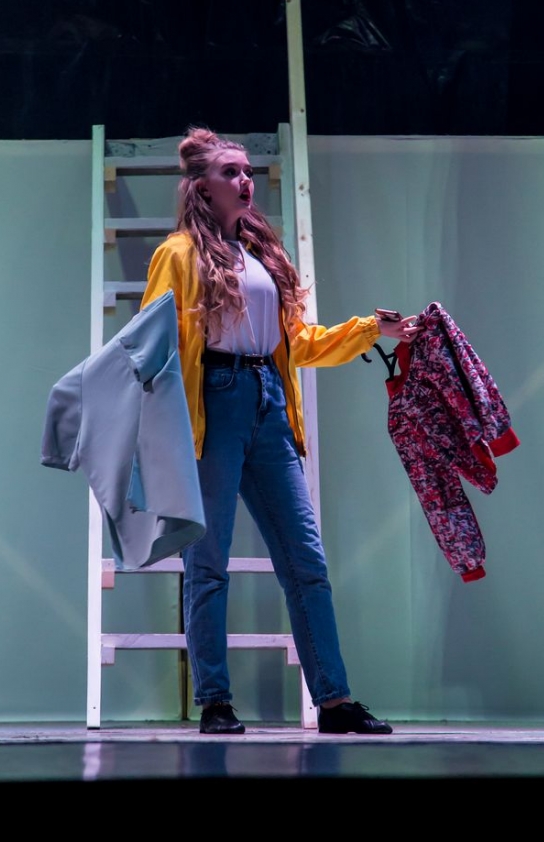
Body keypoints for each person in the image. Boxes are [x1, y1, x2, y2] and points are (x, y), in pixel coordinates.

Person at [140, 126, 419, 735]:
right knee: (208, 562)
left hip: (268, 400)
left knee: (306, 561)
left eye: (247, 171)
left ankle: (335, 703)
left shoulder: (261, 256)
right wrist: (158, 428)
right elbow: (151, 343)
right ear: (202, 187)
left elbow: (298, 343)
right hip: (213, 401)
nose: (246, 180)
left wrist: (371, 330)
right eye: (231, 172)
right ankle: (215, 701)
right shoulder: (178, 254)